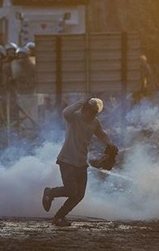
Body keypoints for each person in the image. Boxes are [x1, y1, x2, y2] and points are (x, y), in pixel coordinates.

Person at [42, 97, 117, 227]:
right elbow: (65, 112)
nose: (92, 115)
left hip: (81, 162)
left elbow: (102, 135)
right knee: (71, 190)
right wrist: (83, 101)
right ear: (85, 109)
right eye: (90, 111)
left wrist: (110, 145)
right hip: (67, 160)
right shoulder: (74, 117)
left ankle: (59, 218)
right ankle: (50, 193)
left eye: (95, 113)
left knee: (79, 195)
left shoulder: (95, 122)